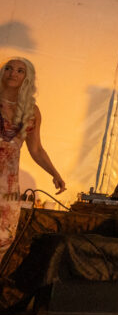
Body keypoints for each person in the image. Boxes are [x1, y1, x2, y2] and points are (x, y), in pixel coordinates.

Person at [0, 57, 65, 257]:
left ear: (27, 78)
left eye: (20, 71)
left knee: (3, 236)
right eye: (9, 68)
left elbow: (36, 149)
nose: (13, 73)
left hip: (7, 184)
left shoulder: (31, 111)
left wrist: (55, 173)